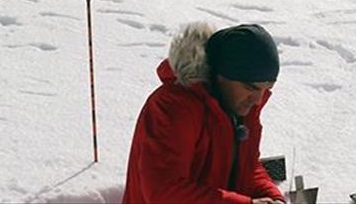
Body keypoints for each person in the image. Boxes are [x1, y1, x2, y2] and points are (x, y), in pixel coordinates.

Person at [122, 22, 285, 204]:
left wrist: (273, 197)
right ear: (220, 75)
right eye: (250, 87)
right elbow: (163, 191)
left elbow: (247, 168)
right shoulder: (174, 107)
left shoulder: (240, 108)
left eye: (267, 88)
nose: (257, 99)